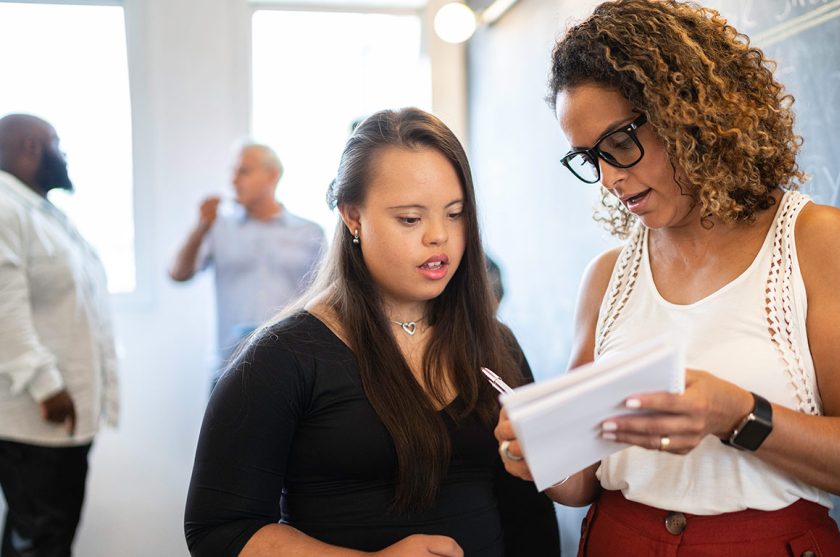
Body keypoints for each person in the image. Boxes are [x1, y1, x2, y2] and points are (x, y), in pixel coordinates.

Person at [494, 2, 840, 555]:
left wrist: (740, 415)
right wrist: (534, 453)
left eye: (620, 143)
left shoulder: (817, 243)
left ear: (688, 113)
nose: (609, 179)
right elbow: (582, 483)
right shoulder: (606, 278)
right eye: (589, 158)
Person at [184, 108, 560, 557]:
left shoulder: (495, 345)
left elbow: (528, 512)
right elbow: (219, 531)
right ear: (352, 216)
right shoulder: (282, 358)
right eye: (409, 219)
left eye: (455, 214)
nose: (439, 236)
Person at [0, 113, 119, 556]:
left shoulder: (38, 210)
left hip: (59, 418)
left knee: (49, 536)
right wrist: (47, 386)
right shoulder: (4, 208)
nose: (62, 154)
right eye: (57, 144)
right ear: (31, 147)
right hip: (37, 416)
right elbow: (2, 311)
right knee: (39, 540)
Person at [168, 143, 325, 384]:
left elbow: (325, 298)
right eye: (233, 172)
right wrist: (200, 228)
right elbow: (177, 274)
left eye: (243, 171)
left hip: (292, 367)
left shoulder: (309, 233)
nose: (233, 180)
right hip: (229, 367)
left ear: (272, 175)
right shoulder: (218, 228)